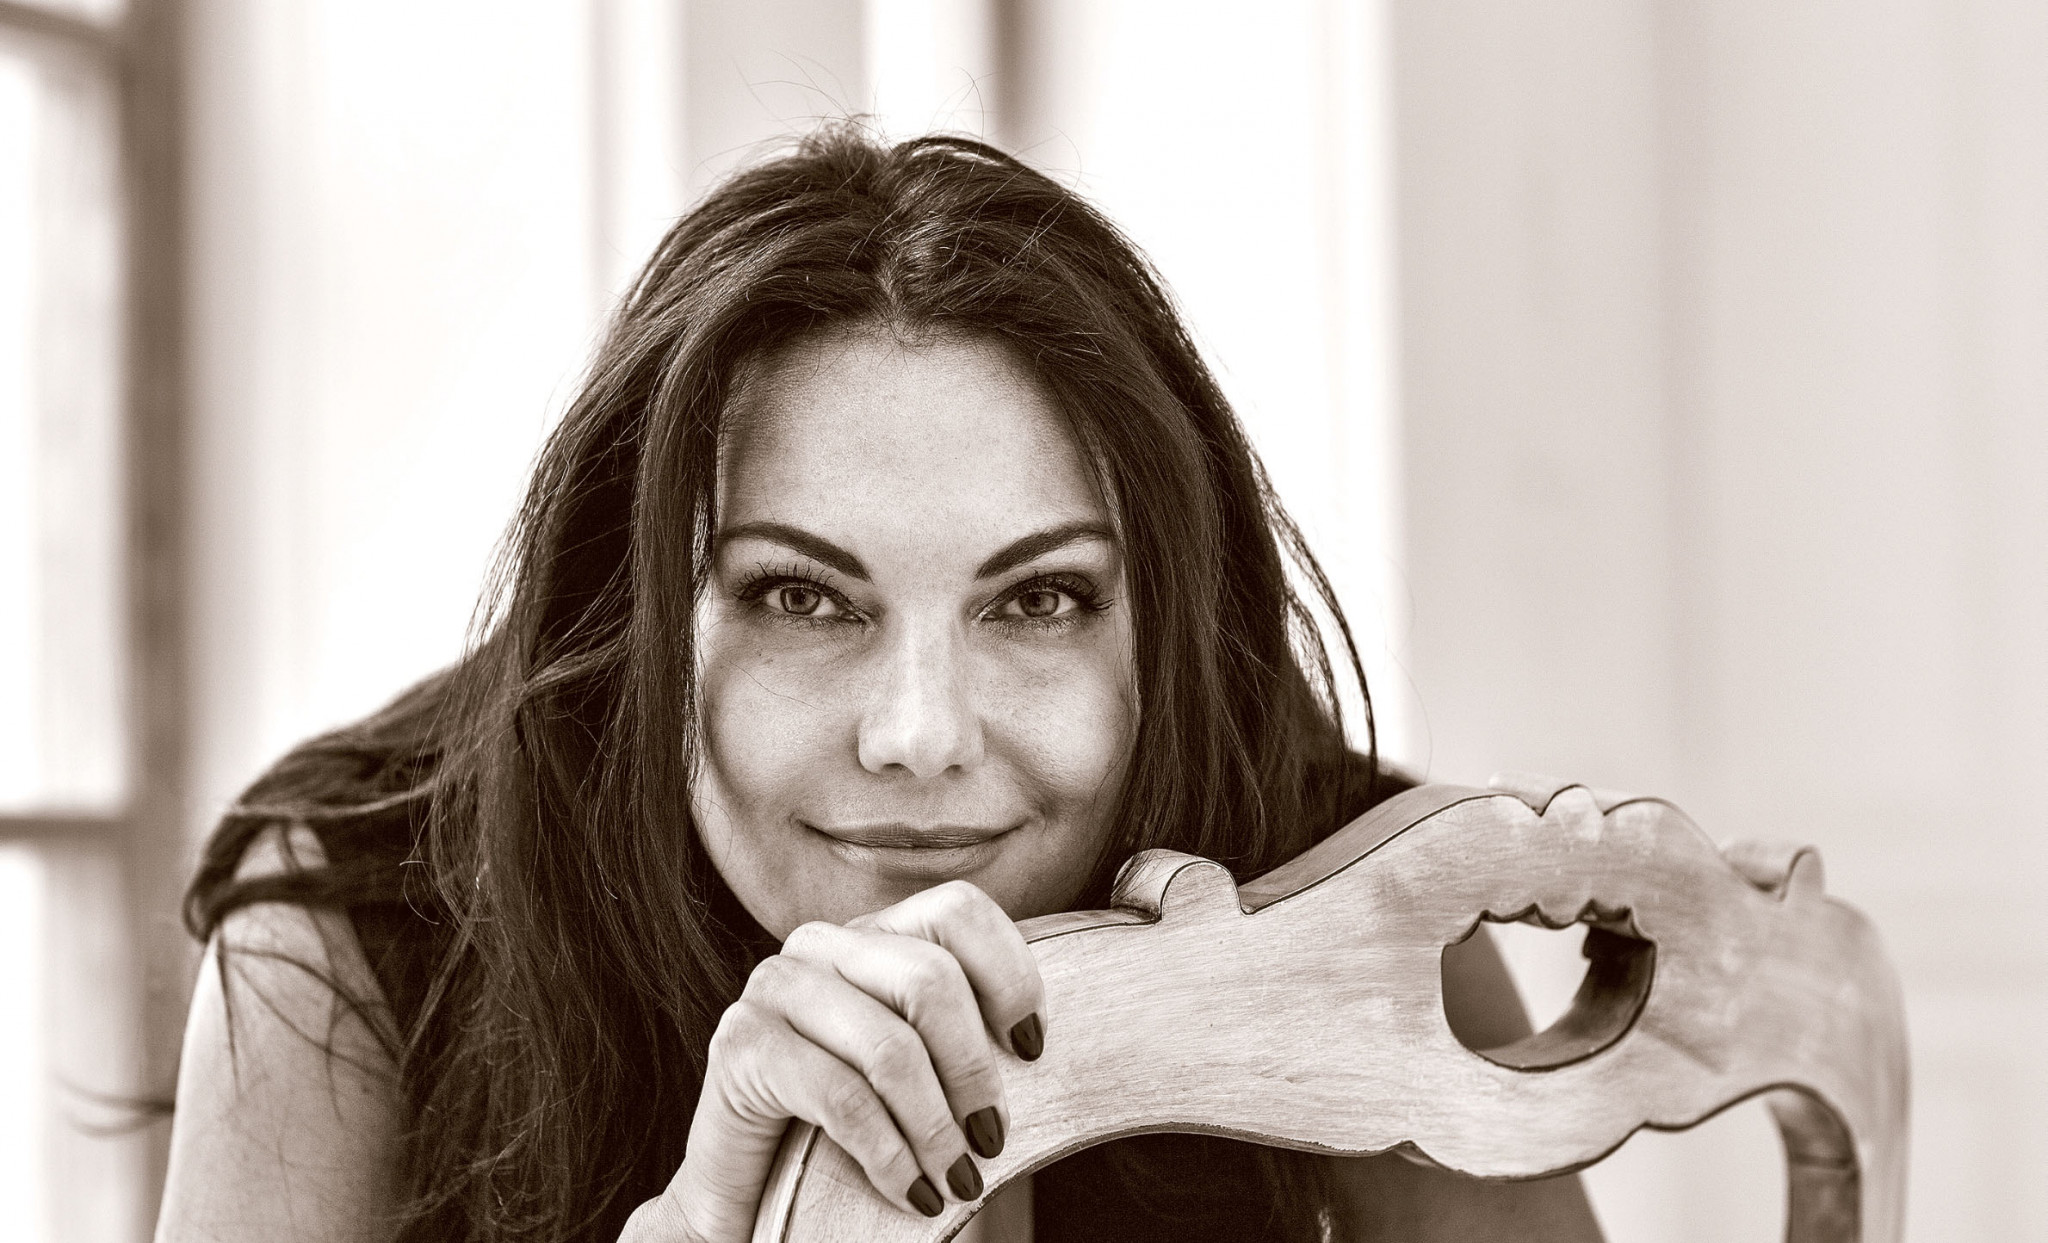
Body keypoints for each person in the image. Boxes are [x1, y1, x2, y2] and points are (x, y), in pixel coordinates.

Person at [156, 128, 1602, 1243]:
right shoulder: (351, 930)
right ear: (636, 621)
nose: (920, 736)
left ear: (1165, 635)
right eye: (802, 598)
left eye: (1038, 599)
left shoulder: (1338, 892)